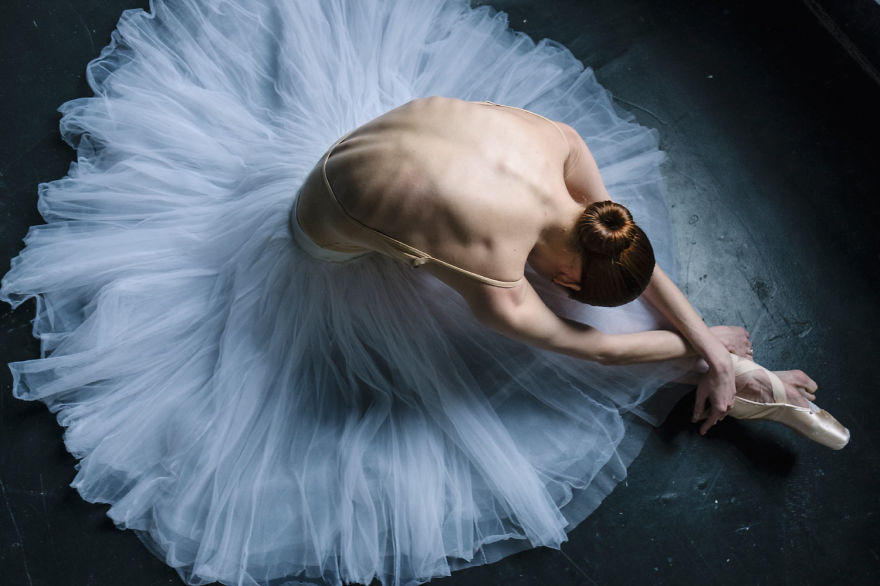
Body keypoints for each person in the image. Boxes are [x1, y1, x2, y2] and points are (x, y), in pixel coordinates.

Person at [0, 1, 848, 586]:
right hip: (321, 224)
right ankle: (751, 391)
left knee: (644, 322)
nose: (573, 291)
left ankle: (742, 384)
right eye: (571, 286)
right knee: (501, 353)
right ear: (557, 272)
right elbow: (583, 348)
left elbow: (629, 259)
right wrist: (699, 353)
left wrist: (705, 344)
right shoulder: (490, 260)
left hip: (392, 144)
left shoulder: (563, 152)